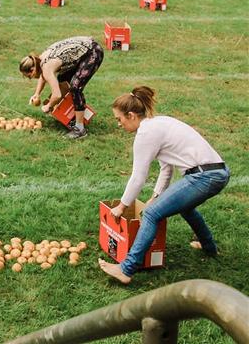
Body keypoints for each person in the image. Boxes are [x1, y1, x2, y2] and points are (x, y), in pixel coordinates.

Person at [99, 86, 230, 284]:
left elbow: (138, 177)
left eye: (119, 119)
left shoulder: (145, 133)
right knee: (185, 208)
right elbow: (166, 169)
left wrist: (122, 206)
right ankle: (209, 247)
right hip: (216, 172)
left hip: (204, 176)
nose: (119, 124)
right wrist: (155, 196)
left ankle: (126, 270)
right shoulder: (157, 124)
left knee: (152, 214)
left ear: (132, 115)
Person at [19, 36, 105, 139]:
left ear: (32, 69)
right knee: (62, 79)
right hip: (84, 50)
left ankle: (80, 129)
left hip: (93, 52)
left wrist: (49, 106)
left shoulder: (46, 67)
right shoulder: (40, 60)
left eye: (29, 76)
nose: (31, 78)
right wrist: (37, 94)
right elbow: (43, 76)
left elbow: (57, 95)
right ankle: (68, 113)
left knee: (75, 87)